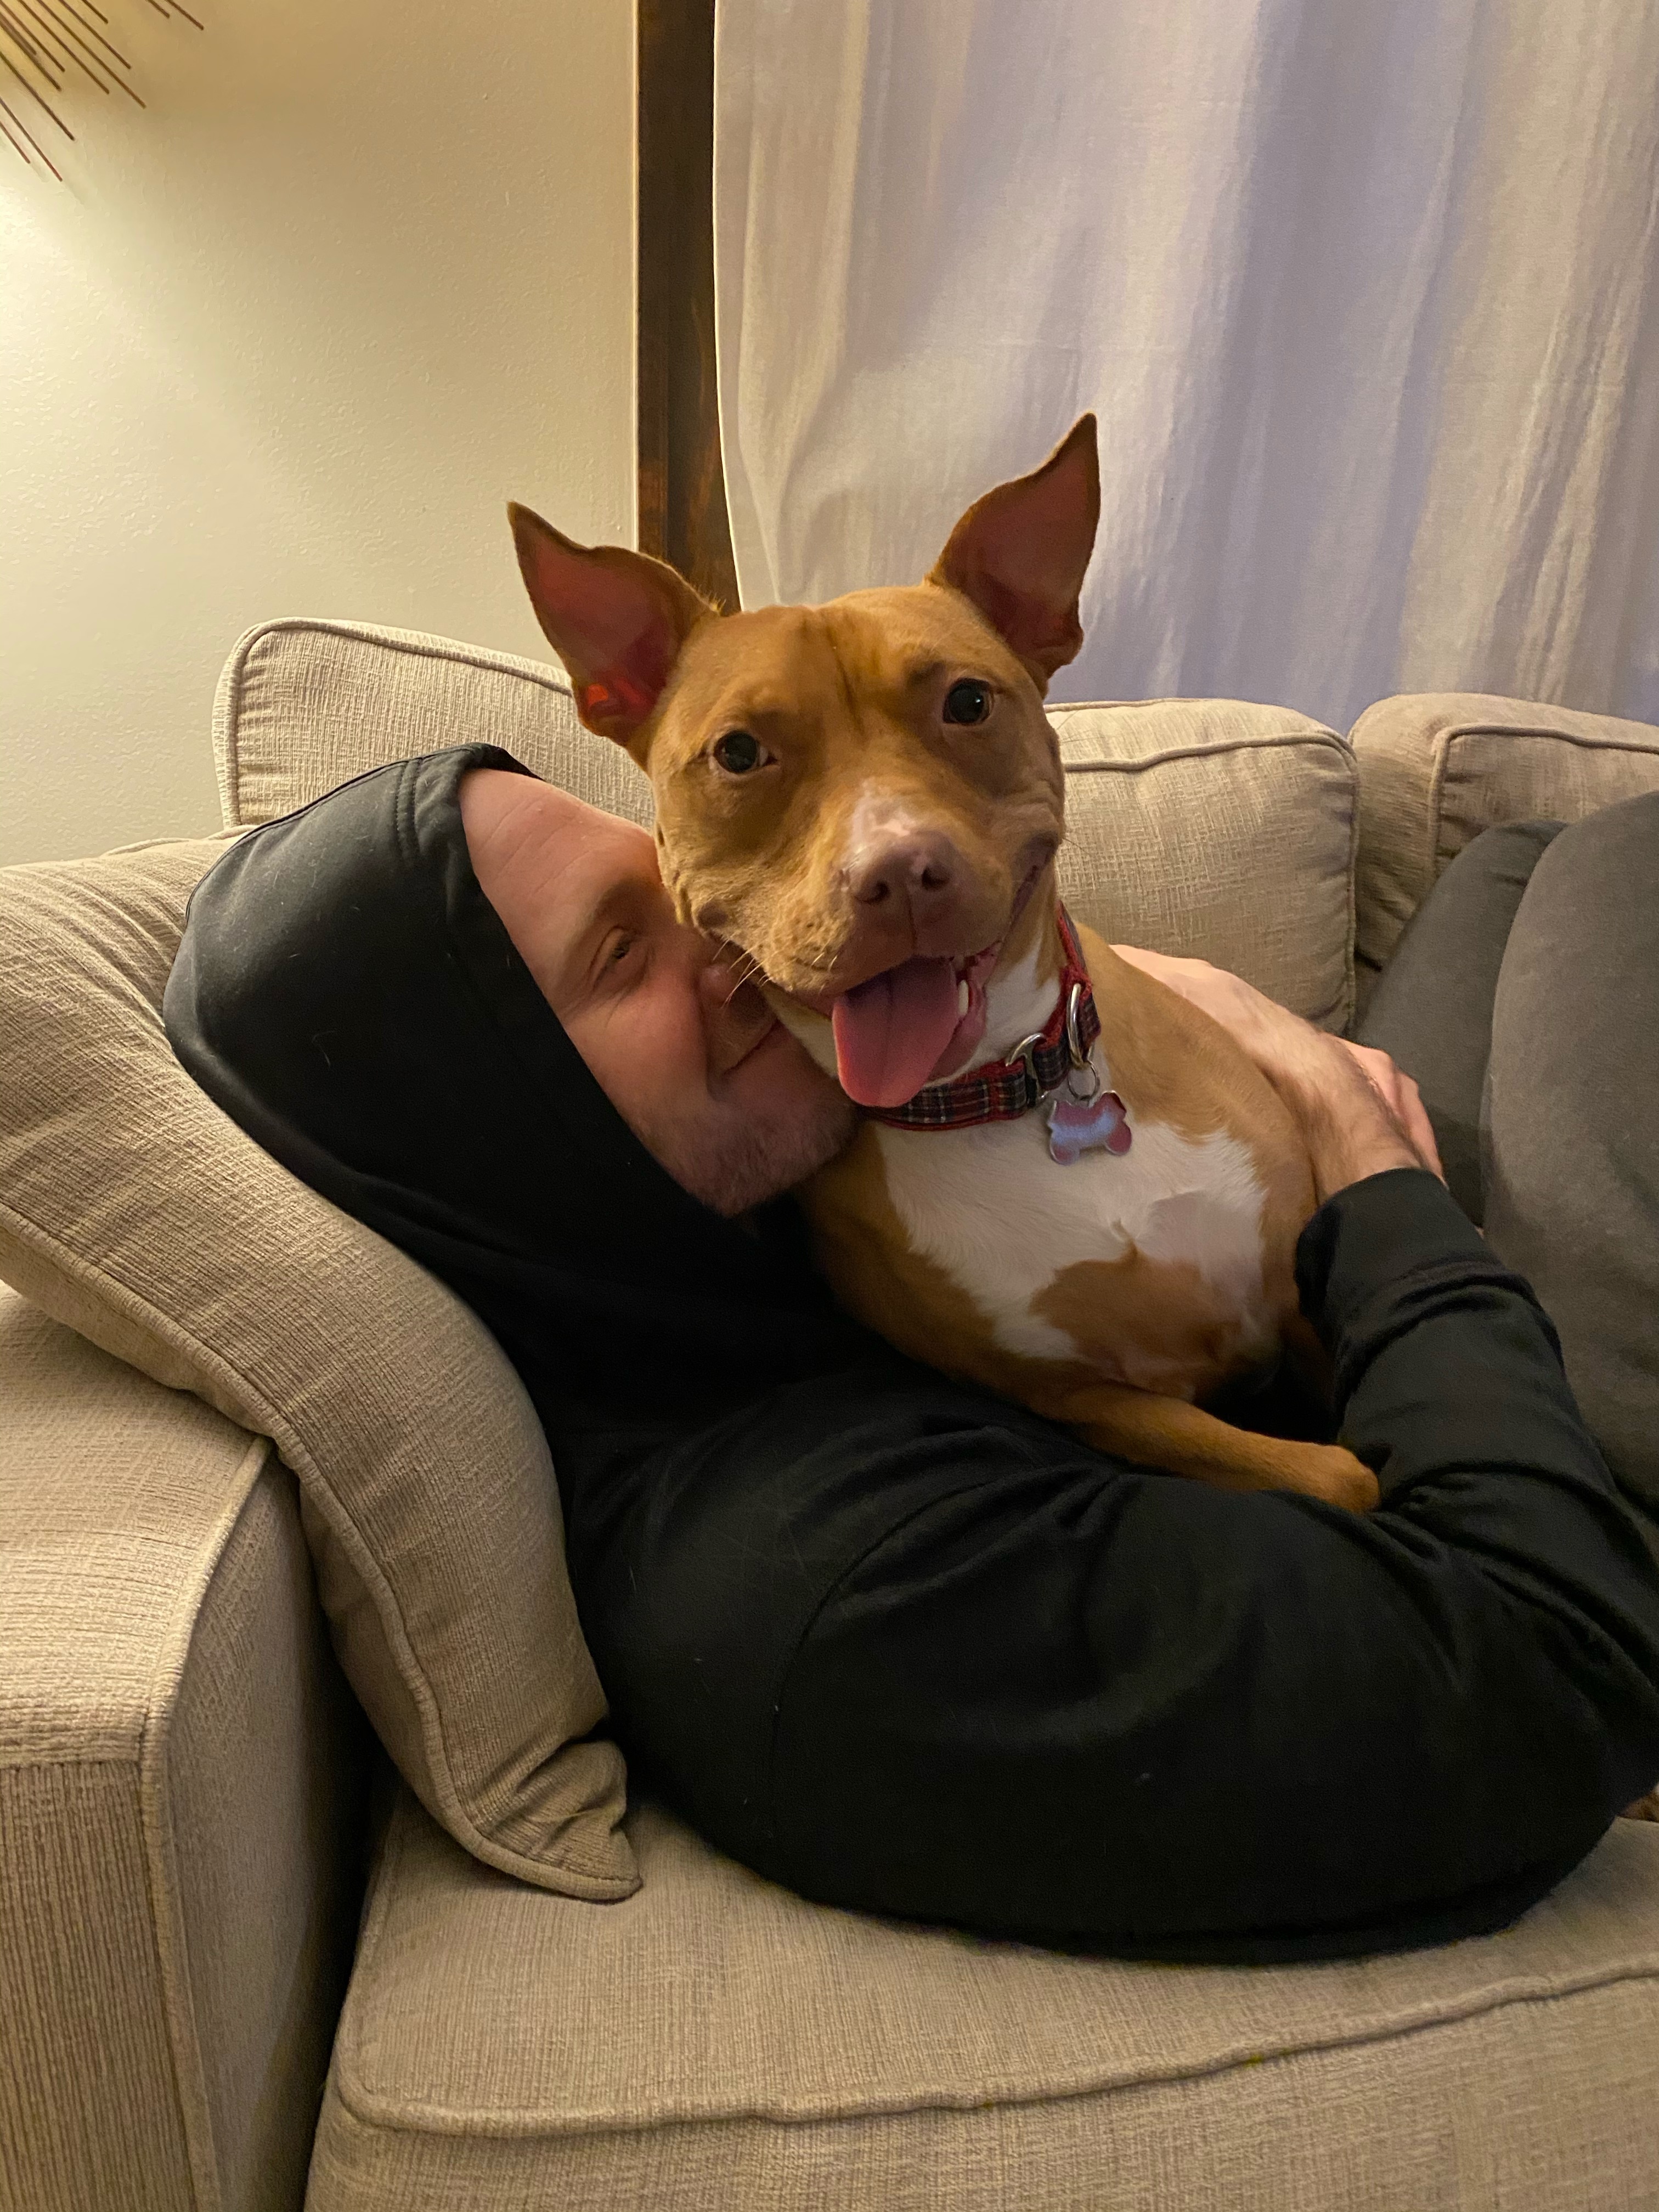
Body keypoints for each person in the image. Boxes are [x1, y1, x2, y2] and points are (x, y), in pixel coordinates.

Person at [162, 744, 1659, 1964]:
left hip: (1370, 1312)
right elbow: (1564, 1659)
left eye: (666, 876)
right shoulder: (810, 1589)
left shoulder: (753, 1247)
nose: (741, 942)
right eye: (623, 957)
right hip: (1572, 1489)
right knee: (1624, 861)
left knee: (1519, 862)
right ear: (496, 1149)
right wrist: (1357, 1149)